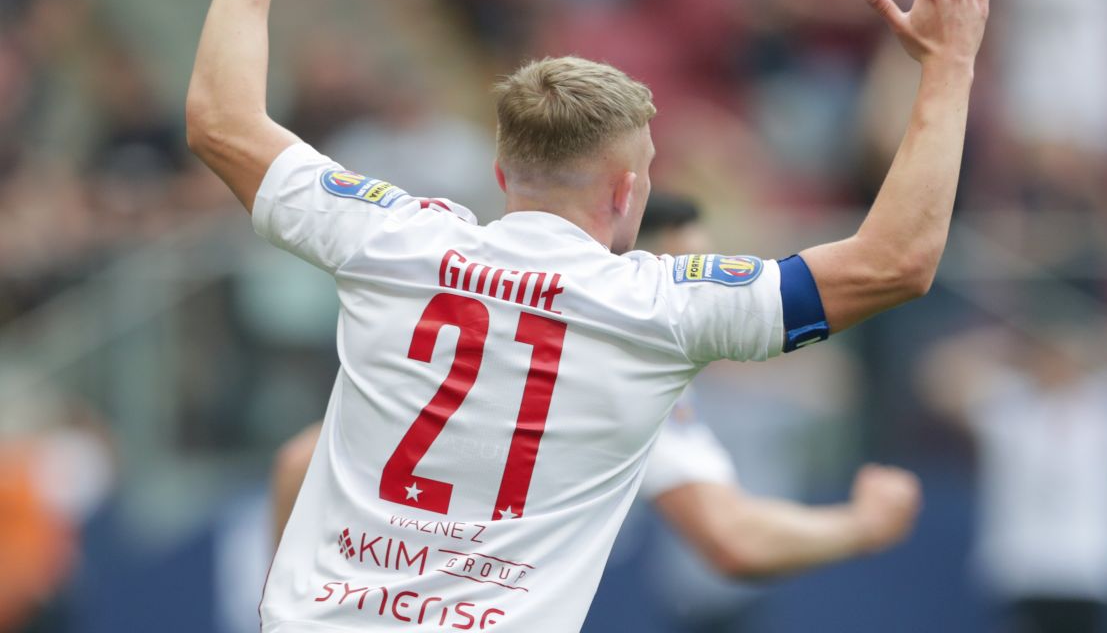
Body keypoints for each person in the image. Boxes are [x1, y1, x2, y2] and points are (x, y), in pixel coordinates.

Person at [184, 0, 991, 629]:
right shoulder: (658, 309)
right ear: (628, 192)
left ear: (502, 173)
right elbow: (895, 264)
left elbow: (222, 122)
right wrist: (947, 67)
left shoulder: (392, 238)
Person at [269, 194, 922, 582]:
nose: (703, 295)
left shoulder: (481, 308)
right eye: (689, 270)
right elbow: (734, 539)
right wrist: (863, 524)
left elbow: (301, 461)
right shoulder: (626, 362)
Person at [917, 317, 1107, 633]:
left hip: (1092, 570)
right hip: (1024, 569)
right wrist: (1004, 343)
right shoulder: (1008, 407)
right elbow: (938, 377)